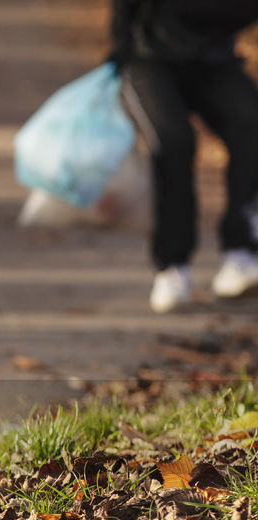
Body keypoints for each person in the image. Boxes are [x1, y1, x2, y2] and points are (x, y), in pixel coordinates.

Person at [110, 0, 258, 313]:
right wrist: (123, 51)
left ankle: (241, 252)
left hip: (214, 59)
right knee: (174, 143)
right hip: (147, 57)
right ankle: (173, 266)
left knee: (251, 126)